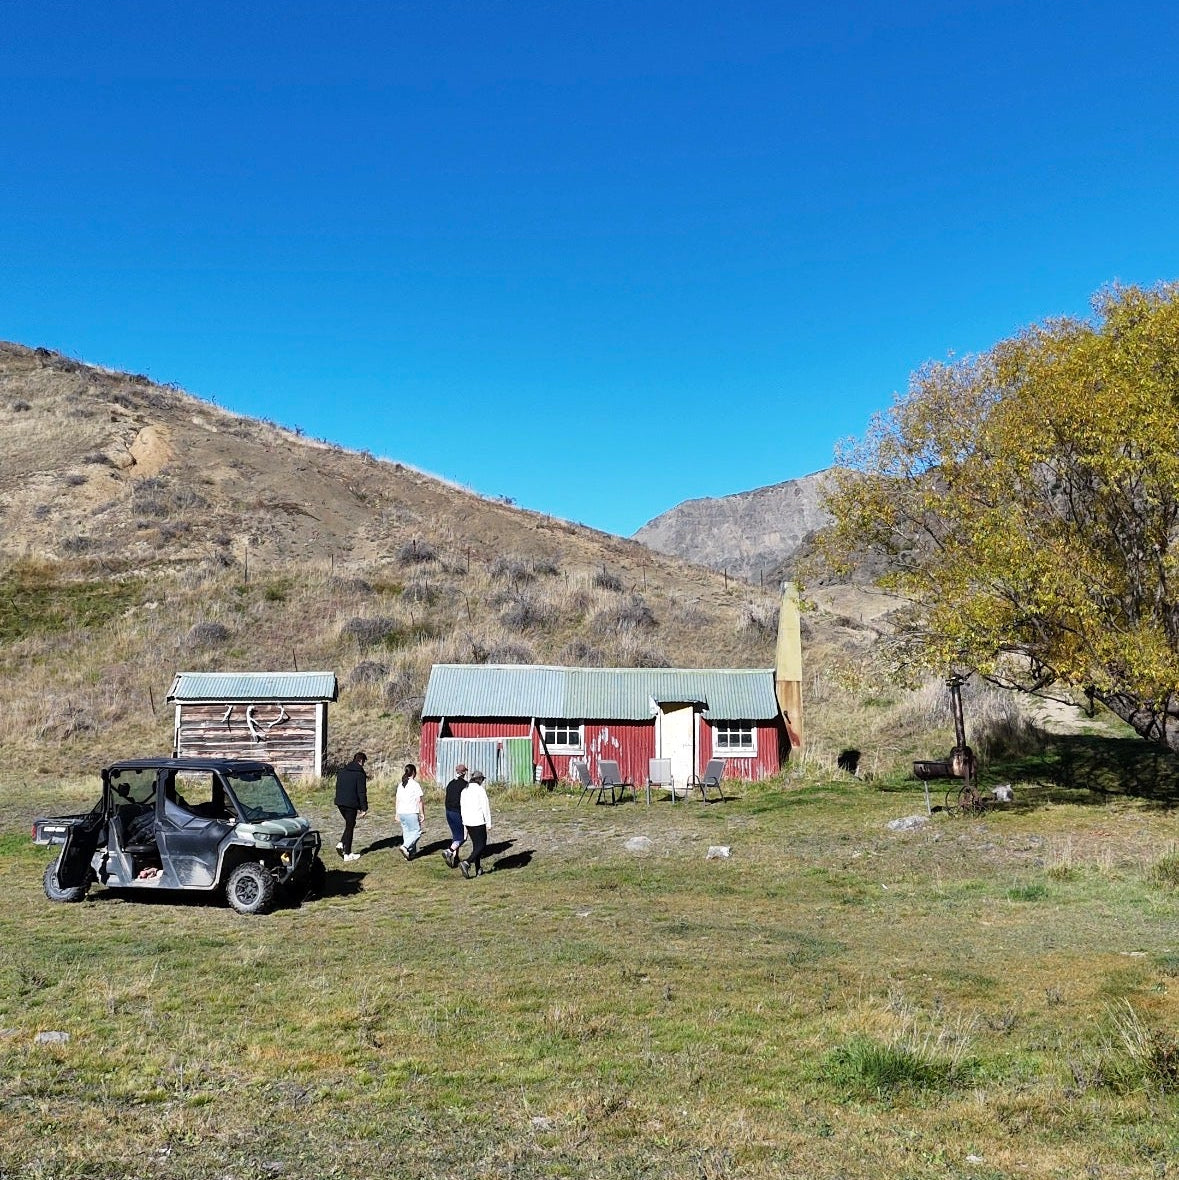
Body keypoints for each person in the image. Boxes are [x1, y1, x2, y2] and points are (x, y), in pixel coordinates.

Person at [334, 751, 368, 863]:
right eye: (364, 763)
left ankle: (341, 844)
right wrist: (364, 808)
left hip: (340, 802)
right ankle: (347, 853)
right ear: (361, 761)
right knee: (350, 826)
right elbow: (361, 792)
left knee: (350, 824)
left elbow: (338, 786)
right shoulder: (360, 774)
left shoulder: (342, 771)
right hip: (351, 804)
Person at [459, 770, 492, 878]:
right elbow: (485, 807)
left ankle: (478, 869)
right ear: (479, 779)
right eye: (482, 779)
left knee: (476, 846)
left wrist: (464, 823)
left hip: (468, 822)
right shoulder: (480, 790)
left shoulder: (465, 790)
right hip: (478, 821)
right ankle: (467, 862)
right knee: (481, 845)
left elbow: (462, 808)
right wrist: (488, 823)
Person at [395, 762, 425, 860]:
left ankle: (409, 854)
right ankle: (405, 847)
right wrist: (422, 813)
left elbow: (397, 800)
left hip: (402, 812)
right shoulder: (415, 784)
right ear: (413, 772)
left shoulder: (401, 785)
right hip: (411, 812)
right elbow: (419, 800)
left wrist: (396, 813)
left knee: (407, 833)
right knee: (417, 832)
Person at [442, 763, 469, 867]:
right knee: (462, 837)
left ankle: (455, 857)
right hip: (457, 812)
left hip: (448, 812)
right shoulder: (465, 785)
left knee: (455, 835)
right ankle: (449, 851)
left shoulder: (450, 783)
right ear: (464, 773)